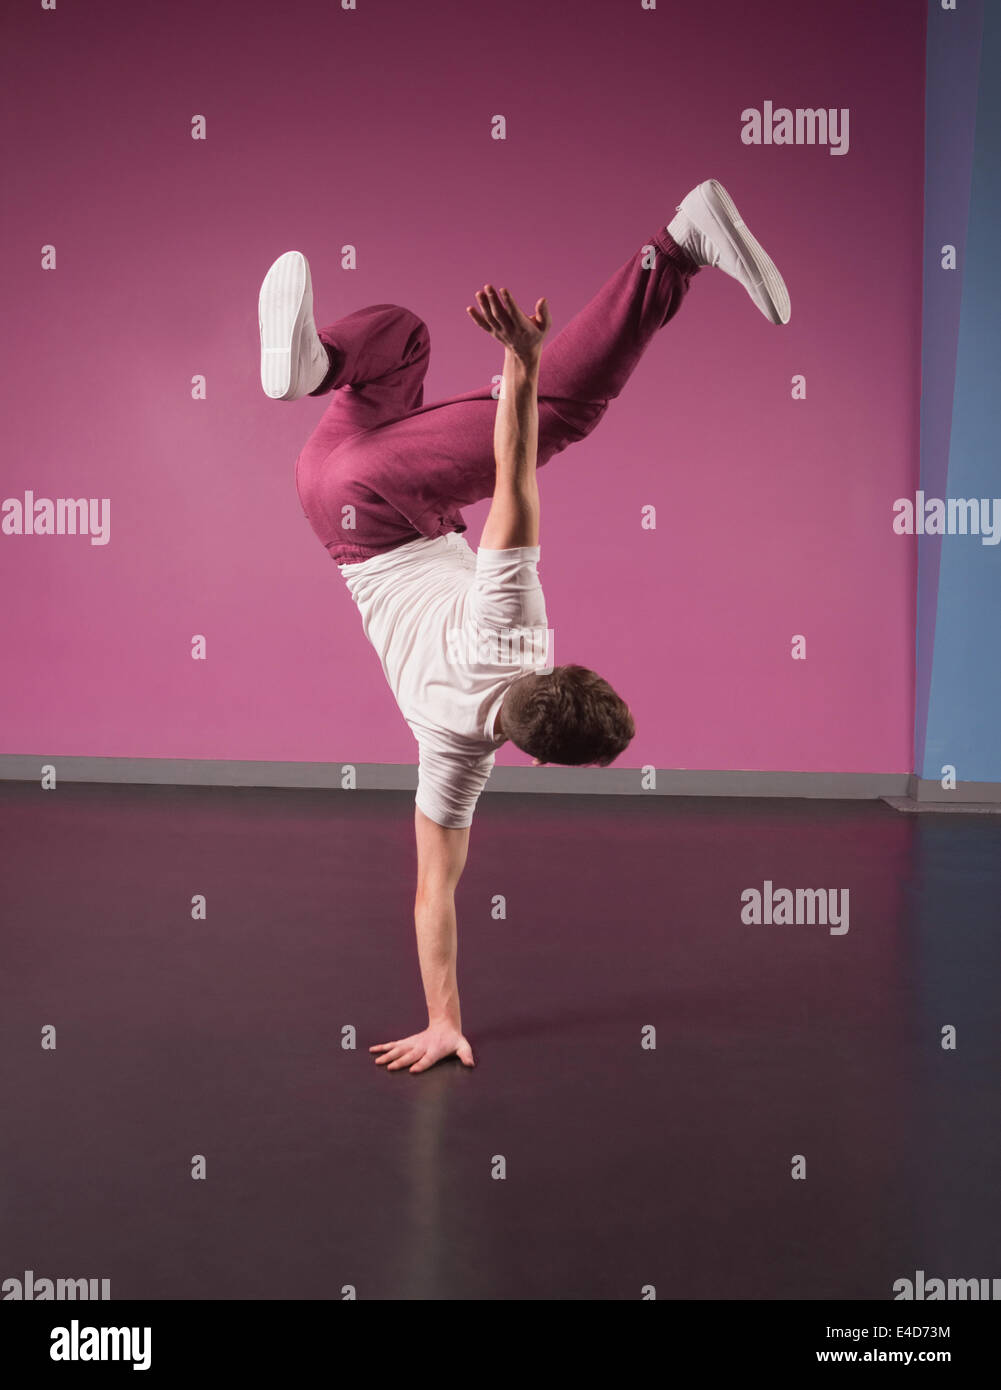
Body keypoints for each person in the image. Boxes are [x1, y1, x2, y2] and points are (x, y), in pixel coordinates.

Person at [257, 178, 790, 1074]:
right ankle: (316, 367)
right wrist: (442, 1021)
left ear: (561, 670)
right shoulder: (455, 754)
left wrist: (523, 361)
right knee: (402, 342)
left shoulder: (512, 634)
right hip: (332, 494)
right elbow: (434, 895)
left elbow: (514, 469)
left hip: (379, 499)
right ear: (532, 755)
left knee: (557, 417)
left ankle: (676, 246)